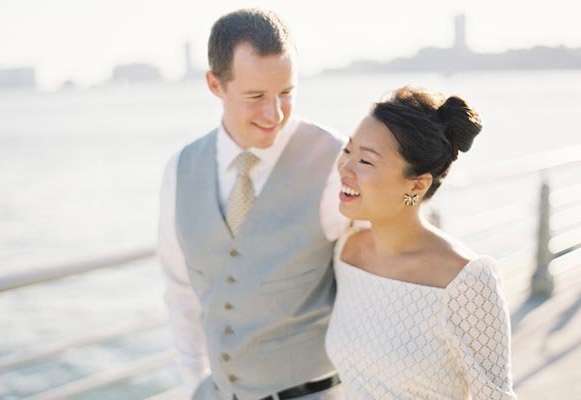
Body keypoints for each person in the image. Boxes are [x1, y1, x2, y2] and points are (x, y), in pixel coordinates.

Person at [158, 8, 349, 400]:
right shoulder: (180, 169)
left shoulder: (334, 160)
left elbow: (366, 289)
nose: (274, 113)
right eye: (256, 96)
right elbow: (180, 292)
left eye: (286, 93)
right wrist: (194, 382)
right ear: (215, 84)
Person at [325, 87, 517, 399]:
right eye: (348, 150)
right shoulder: (347, 249)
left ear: (417, 184)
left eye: (366, 161)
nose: (345, 168)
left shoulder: (466, 282)